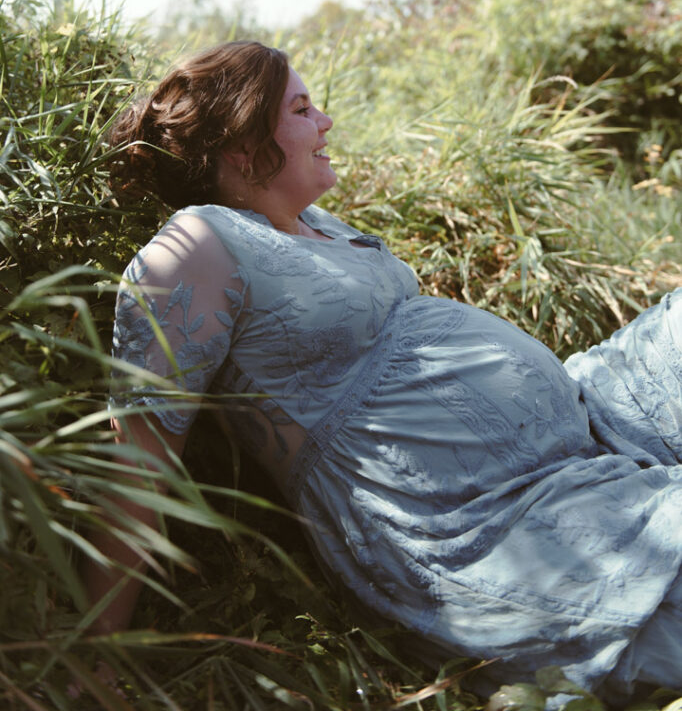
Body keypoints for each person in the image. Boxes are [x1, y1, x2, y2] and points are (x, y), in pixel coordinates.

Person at [98, 39, 682, 704]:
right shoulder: (195, 246)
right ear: (242, 139)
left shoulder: (318, 224)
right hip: (483, 521)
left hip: (584, 426)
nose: (325, 124)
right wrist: (93, 642)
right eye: (302, 108)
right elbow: (138, 458)